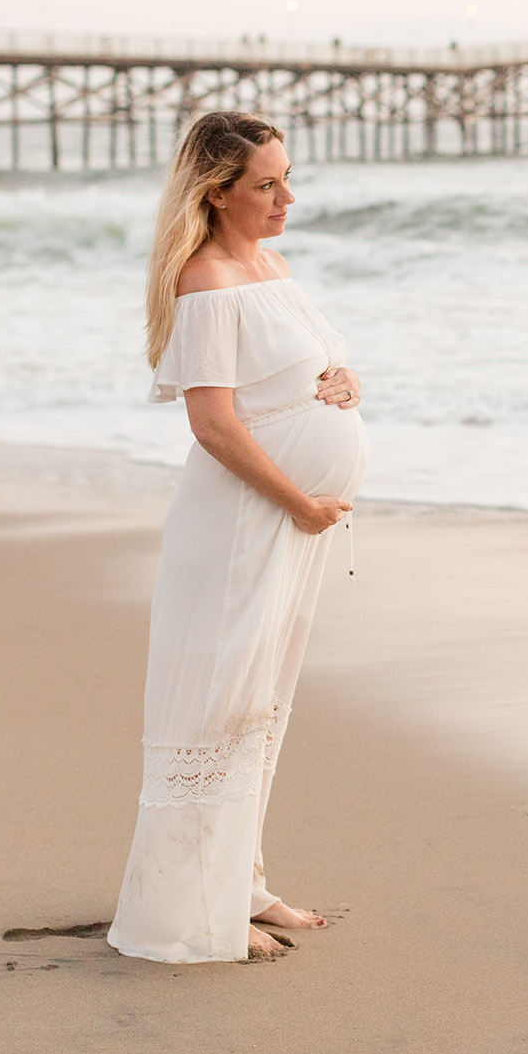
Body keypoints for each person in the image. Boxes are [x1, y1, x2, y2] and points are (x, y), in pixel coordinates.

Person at [107, 111, 368, 963]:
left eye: (288, 177)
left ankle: (242, 881)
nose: (286, 195)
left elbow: (309, 367)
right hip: (244, 526)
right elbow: (213, 424)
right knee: (223, 706)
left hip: (290, 523)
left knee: (264, 705)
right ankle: (192, 909)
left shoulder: (273, 267)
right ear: (218, 195)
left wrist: (342, 377)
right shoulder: (207, 281)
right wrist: (299, 500)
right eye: (266, 183)